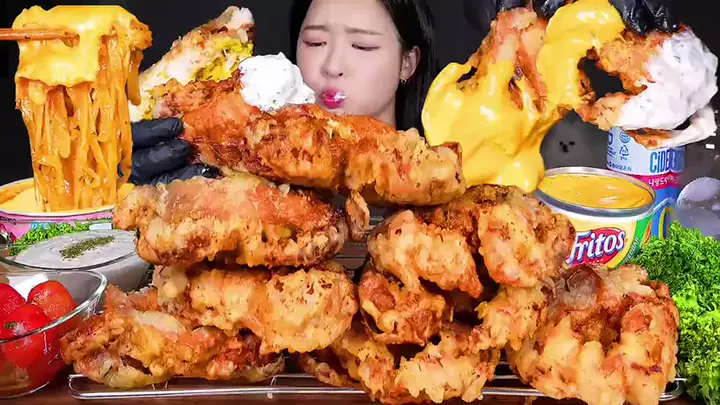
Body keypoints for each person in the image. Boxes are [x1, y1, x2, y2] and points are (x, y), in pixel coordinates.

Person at [129, 0, 439, 185]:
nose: (332, 66)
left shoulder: (445, 173)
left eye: (362, 46)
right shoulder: (244, 166)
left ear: (407, 63)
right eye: (315, 43)